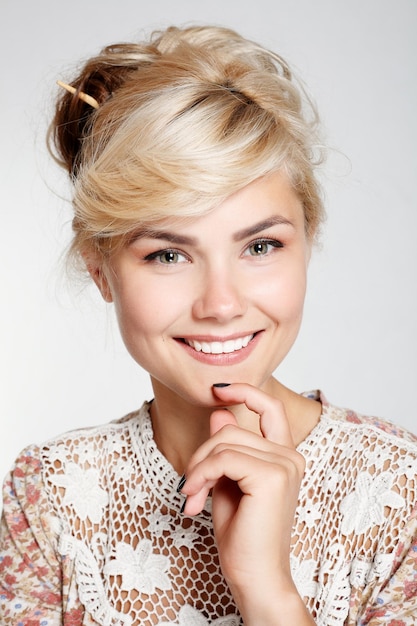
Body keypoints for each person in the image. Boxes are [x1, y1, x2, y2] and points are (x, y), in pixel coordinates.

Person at [0, 24, 416, 626]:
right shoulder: (48, 497)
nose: (221, 304)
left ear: (309, 241)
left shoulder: (403, 496)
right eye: (168, 255)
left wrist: (267, 591)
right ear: (101, 271)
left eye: (261, 246)